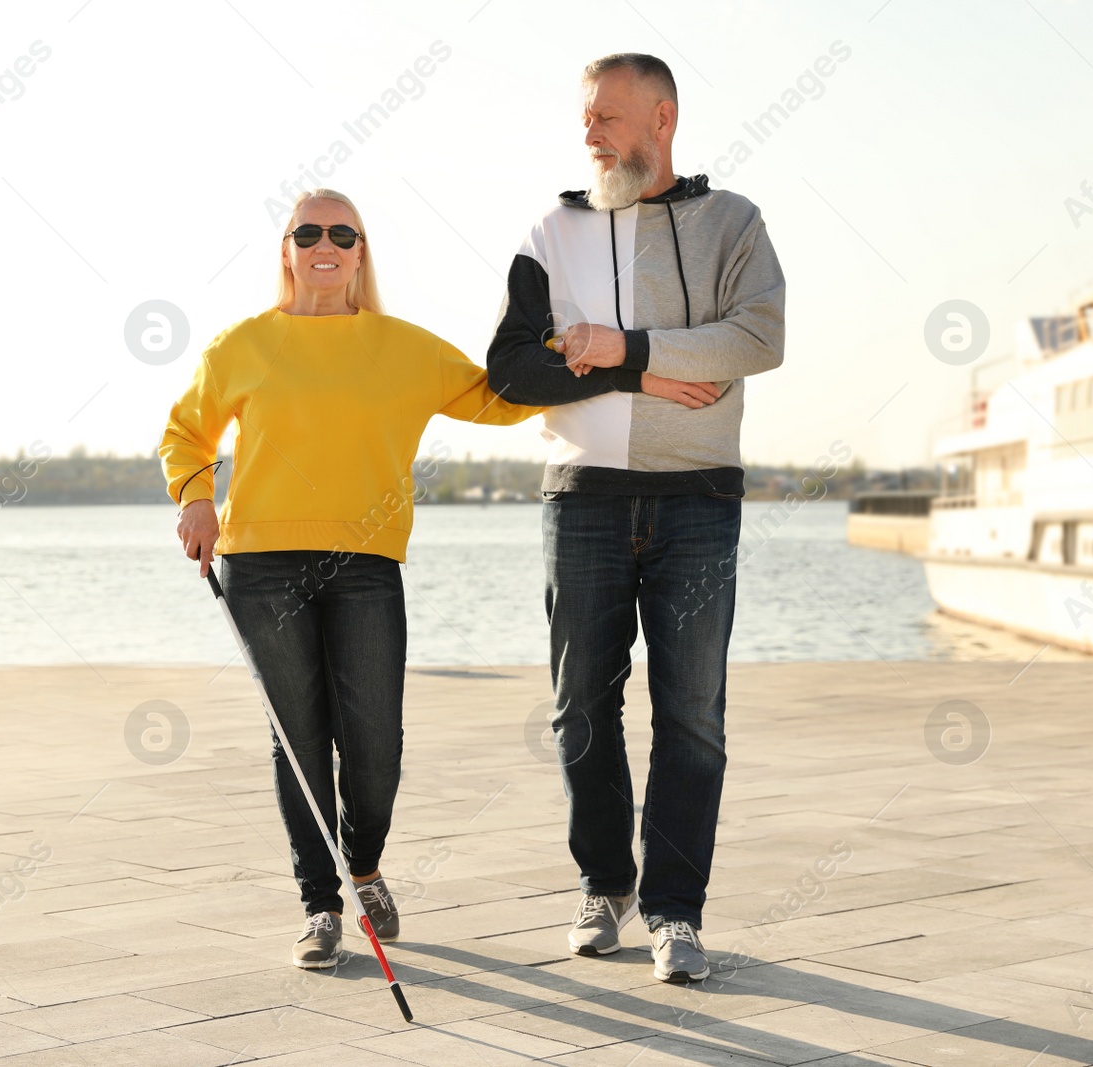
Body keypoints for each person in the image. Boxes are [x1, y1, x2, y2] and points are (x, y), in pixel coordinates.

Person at [160, 188, 540, 970]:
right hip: (261, 563)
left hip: (367, 565)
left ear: (361, 252)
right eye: (308, 232)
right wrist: (197, 498)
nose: (324, 243)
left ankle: (362, 863)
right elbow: (185, 431)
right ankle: (320, 906)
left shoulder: (404, 347)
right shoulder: (243, 344)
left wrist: (571, 349)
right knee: (298, 741)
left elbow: (500, 399)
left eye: (343, 232)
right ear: (289, 251)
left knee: (374, 746)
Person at [487, 52, 785, 983]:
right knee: (581, 706)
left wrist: (627, 343)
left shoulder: (734, 220)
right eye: (585, 118)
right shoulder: (553, 228)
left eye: (608, 118)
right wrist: (640, 369)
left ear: (662, 118)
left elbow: (759, 337)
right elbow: (511, 368)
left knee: (693, 714)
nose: (590, 134)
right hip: (582, 499)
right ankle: (603, 883)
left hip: (700, 495)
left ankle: (675, 912)